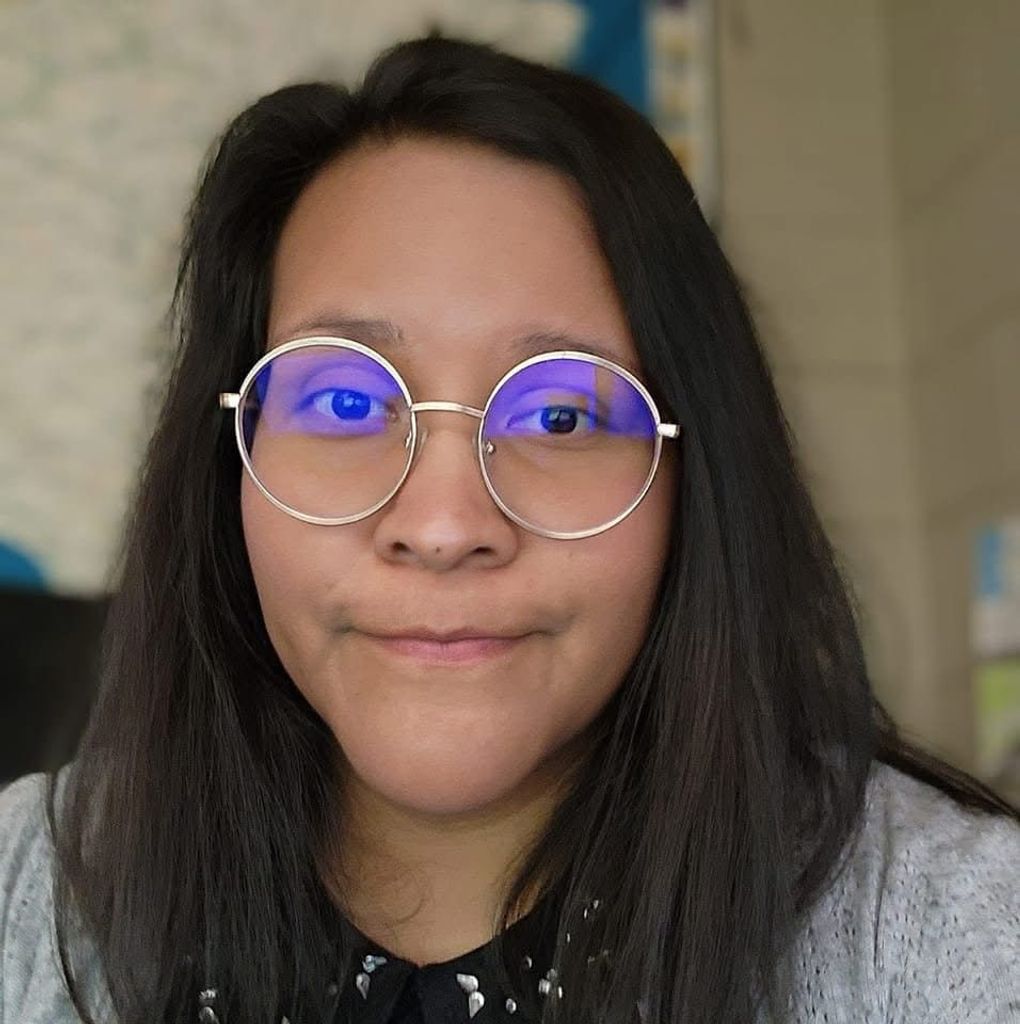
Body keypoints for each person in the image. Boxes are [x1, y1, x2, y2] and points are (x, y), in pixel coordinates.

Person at [1, 34, 1017, 1024]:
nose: (444, 526)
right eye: (347, 403)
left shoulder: (962, 930)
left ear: (694, 478)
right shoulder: (29, 891)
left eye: (561, 416)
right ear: (231, 462)